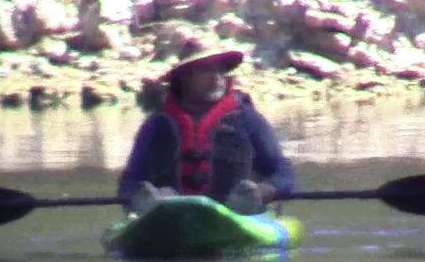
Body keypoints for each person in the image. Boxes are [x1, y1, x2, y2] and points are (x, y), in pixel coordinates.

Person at [117, 47, 297, 216]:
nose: (216, 77)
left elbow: (284, 174)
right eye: (205, 70)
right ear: (184, 77)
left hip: (235, 212)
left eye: (220, 70)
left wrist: (263, 191)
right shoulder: (156, 124)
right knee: (162, 194)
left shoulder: (248, 119)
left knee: (244, 194)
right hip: (170, 214)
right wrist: (141, 198)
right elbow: (130, 181)